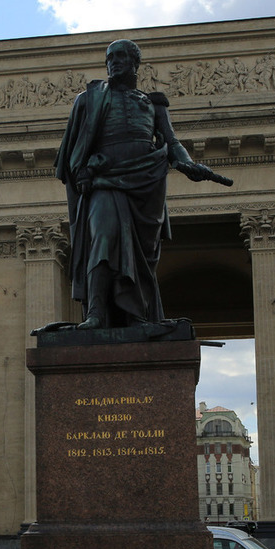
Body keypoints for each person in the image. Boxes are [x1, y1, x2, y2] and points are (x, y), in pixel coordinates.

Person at [54, 39, 232, 330]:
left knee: (140, 257)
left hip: (146, 184)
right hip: (105, 181)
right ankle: (96, 313)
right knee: (103, 237)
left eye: (122, 56)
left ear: (136, 63)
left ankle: (136, 315)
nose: (115, 62)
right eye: (110, 57)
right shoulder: (89, 99)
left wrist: (187, 164)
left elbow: (172, 143)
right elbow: (73, 149)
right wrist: (81, 171)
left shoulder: (153, 104)